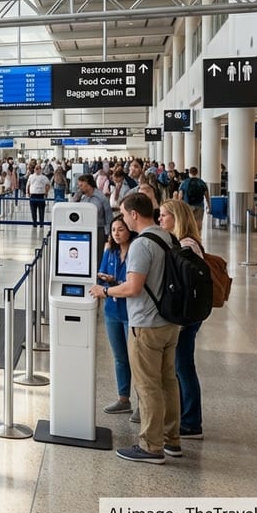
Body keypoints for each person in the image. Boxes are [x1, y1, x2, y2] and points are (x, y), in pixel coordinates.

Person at [89, 193, 181, 464]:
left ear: (134, 215)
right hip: (168, 321)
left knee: (148, 385)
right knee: (167, 382)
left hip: (146, 324)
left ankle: (151, 447)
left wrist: (104, 290)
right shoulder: (166, 236)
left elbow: (133, 287)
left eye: (125, 215)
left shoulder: (142, 244)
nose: (124, 220)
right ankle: (171, 439)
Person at [158, 199, 206, 441]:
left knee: (183, 366)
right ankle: (184, 416)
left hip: (187, 316)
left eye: (164, 216)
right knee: (180, 366)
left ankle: (191, 421)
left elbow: (184, 285)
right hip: (188, 314)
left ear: (176, 218)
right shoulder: (184, 243)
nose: (160, 220)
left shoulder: (186, 245)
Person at [98, 216, 134, 417]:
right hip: (112, 311)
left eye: (120, 229)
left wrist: (115, 282)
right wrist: (107, 280)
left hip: (131, 311)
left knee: (136, 359)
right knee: (120, 357)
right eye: (113, 230)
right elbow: (101, 274)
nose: (117, 233)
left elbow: (134, 283)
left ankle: (143, 403)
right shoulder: (109, 252)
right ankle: (123, 398)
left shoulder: (136, 251)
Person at [72, 173, 113, 253]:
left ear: (88, 185)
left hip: (98, 229)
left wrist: (108, 233)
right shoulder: (82, 196)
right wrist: (77, 197)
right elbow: (73, 206)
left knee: (97, 253)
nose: (79, 188)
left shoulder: (101, 197)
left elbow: (108, 215)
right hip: (84, 227)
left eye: (81, 185)